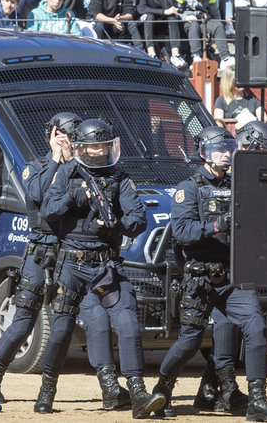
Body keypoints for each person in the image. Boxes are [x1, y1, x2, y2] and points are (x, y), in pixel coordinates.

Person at [0, 113, 132, 411]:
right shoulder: (35, 167)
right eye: (59, 134)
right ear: (49, 135)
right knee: (24, 320)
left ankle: (89, 388)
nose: (64, 140)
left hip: (70, 257)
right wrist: (54, 159)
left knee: (78, 323)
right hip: (41, 253)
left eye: (70, 136)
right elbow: (37, 195)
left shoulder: (81, 170)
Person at [151, 125, 267, 422]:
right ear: (203, 153)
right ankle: (161, 391)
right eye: (217, 150)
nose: (225, 155)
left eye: (228, 148)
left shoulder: (241, 183)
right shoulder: (189, 188)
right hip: (199, 277)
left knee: (257, 330)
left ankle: (257, 402)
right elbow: (183, 232)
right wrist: (218, 225)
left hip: (234, 276)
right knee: (189, 342)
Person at [37, 119, 166, 418]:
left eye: (104, 146)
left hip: (106, 266)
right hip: (71, 265)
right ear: (81, 148)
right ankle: (46, 390)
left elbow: (138, 218)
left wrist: (116, 225)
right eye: (93, 146)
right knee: (61, 330)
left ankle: (137, 393)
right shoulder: (66, 173)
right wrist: (73, 197)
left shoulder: (120, 178)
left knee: (127, 324)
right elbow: (48, 211)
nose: (99, 151)